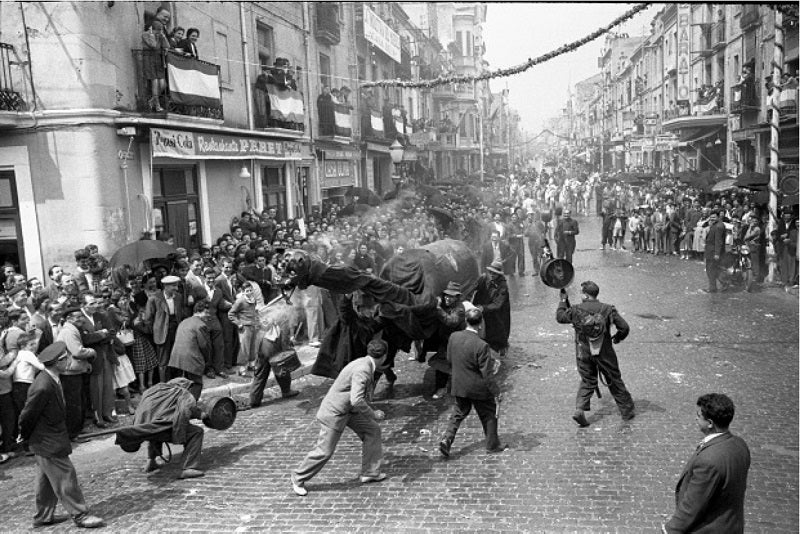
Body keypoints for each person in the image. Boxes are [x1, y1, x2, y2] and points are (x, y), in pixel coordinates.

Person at [17, 342, 105, 528]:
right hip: (46, 440)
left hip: (49, 438)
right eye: (65, 358)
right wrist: (23, 436)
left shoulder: (53, 378)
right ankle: (80, 515)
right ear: (56, 363)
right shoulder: (43, 386)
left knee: (46, 480)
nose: (68, 361)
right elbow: (27, 414)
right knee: (66, 475)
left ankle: (43, 516)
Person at [290, 339, 389, 497]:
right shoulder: (363, 369)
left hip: (348, 410)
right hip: (335, 413)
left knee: (372, 430)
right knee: (324, 451)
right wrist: (373, 413)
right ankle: (298, 477)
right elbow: (356, 399)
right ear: (384, 357)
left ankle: (370, 472)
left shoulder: (363, 362)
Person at [663, 393, 750, 533]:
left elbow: (694, 504)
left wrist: (669, 530)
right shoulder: (740, 445)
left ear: (710, 423)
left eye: (699, 415)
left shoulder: (708, 461)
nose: (696, 418)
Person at [555, 280, 635, 426]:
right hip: (605, 352)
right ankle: (627, 411)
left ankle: (579, 409)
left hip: (583, 352)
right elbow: (624, 327)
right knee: (614, 379)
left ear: (585, 295)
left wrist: (563, 300)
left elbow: (560, 317)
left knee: (588, 380)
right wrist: (617, 338)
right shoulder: (608, 309)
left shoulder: (576, 309)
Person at [438, 307, 505, 458]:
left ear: (465, 321)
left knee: (458, 412)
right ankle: (492, 445)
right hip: (478, 388)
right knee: (488, 414)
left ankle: (447, 439)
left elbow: (449, 359)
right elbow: (487, 374)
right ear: (480, 323)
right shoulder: (481, 345)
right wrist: (496, 391)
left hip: (459, 384)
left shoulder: (454, 337)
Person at [115, 377, 206, 480]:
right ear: (187, 386)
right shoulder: (184, 393)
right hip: (160, 428)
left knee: (153, 426)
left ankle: (151, 461)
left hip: (144, 428)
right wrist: (201, 414)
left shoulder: (153, 390)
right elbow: (185, 411)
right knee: (197, 432)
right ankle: (188, 468)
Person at [249, 315, 299, 408]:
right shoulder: (282, 316)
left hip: (260, 344)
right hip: (271, 344)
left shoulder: (265, 314)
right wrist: (287, 347)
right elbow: (283, 335)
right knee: (282, 367)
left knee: (260, 373)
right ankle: (286, 391)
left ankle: (254, 399)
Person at [427, 281, 466, 399]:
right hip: (445, 342)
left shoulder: (459, 309)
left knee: (457, 365)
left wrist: (438, 309)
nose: (447, 298)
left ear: (457, 297)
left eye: (451, 296)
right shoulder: (446, 305)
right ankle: (441, 387)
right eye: (446, 295)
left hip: (456, 343)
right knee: (441, 365)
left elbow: (451, 321)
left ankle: (462, 388)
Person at [144, 275, 185, 382]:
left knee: (177, 357)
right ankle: (164, 384)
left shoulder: (179, 297)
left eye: (176, 285)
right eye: (173, 286)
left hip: (176, 330)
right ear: (165, 286)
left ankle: (177, 381)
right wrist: (156, 329)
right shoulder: (155, 298)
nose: (176, 288)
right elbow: (148, 318)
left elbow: (181, 314)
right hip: (162, 332)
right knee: (163, 361)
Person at [168, 299, 211, 400]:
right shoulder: (201, 325)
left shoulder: (184, 321)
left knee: (182, 385)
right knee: (197, 384)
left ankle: (180, 404)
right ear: (199, 312)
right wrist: (207, 361)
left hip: (176, 358)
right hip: (191, 359)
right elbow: (204, 346)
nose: (209, 315)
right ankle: (190, 407)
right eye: (207, 312)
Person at [472, 260, 511, 355]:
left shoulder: (502, 286)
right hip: (484, 308)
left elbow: (497, 304)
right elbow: (473, 287)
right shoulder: (483, 278)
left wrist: (483, 308)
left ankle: (502, 347)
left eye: (495, 273)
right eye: (491, 272)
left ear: (499, 274)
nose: (492, 275)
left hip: (497, 312)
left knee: (499, 331)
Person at [703, 211, 727, 293]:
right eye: (711, 217)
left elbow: (718, 241)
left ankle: (714, 287)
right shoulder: (716, 225)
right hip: (711, 251)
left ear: (718, 217)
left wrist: (717, 253)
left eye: (714, 217)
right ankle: (719, 285)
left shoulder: (718, 226)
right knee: (713, 269)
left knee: (711, 270)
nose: (712, 219)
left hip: (713, 252)